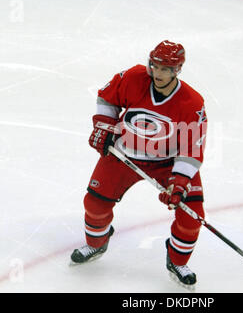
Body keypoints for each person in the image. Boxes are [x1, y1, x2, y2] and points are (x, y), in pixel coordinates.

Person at [70, 40, 208, 286]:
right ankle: (96, 245)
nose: (157, 73)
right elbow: (107, 97)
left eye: (165, 69)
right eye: (154, 66)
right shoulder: (134, 77)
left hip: (168, 162)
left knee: (192, 218)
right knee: (94, 204)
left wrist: (179, 184)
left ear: (177, 70)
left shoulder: (192, 103)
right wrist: (104, 124)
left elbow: (191, 148)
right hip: (124, 154)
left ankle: (177, 261)